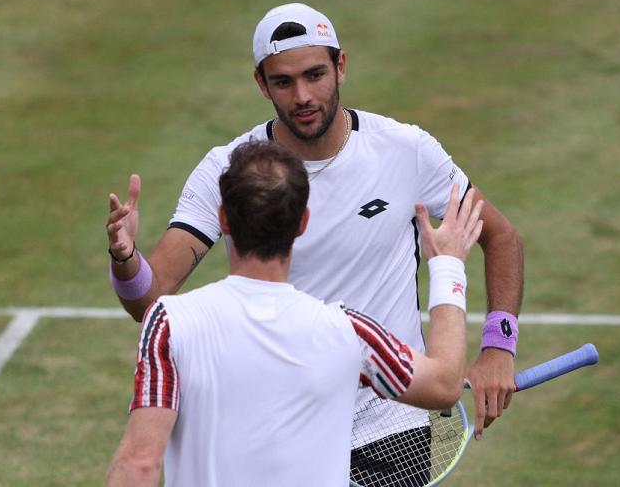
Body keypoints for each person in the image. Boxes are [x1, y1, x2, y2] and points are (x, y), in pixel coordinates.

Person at [106, 2, 523, 474]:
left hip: (390, 427)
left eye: (315, 74)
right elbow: (153, 293)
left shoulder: (407, 151)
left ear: (340, 67)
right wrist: (124, 259)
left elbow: (500, 235)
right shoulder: (230, 170)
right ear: (261, 84)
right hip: (285, 430)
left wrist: (498, 346)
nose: (303, 95)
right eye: (283, 82)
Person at [105, 140, 483, 487]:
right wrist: (448, 266)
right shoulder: (348, 333)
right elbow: (444, 385)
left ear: (223, 220)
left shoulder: (169, 323)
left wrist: (125, 257)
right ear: (302, 222)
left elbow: (139, 464)